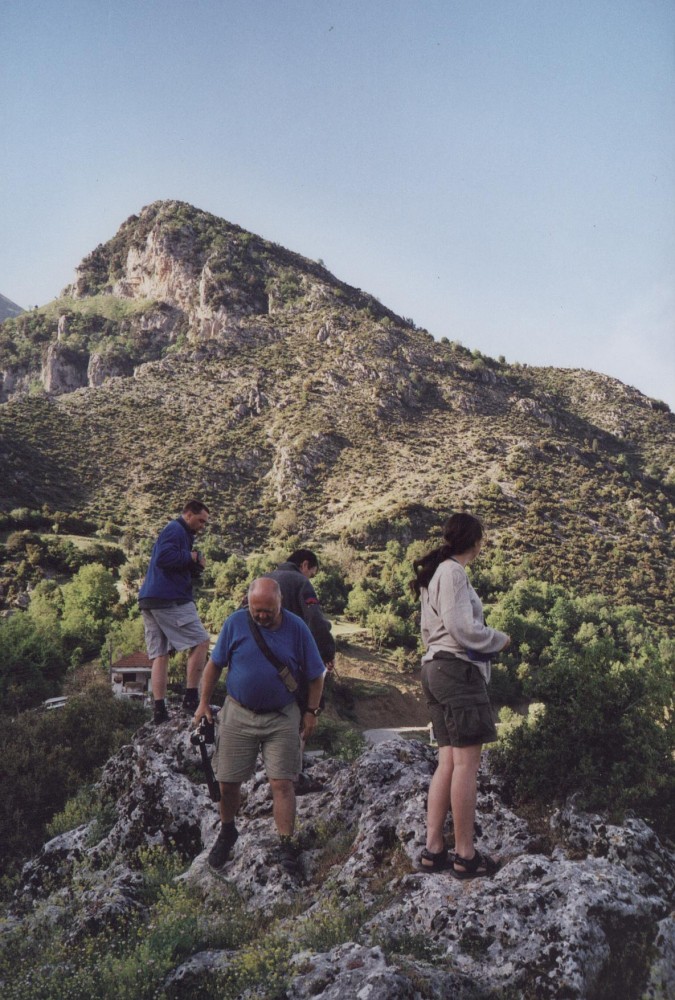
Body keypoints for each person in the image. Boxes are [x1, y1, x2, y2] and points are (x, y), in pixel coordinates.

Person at [194, 577, 325, 875]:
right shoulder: (235, 623)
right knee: (227, 782)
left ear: (280, 603)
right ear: (249, 604)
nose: (262, 616)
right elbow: (214, 665)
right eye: (257, 610)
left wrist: (311, 712)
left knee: (282, 783)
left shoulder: (297, 629)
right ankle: (228, 830)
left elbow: (316, 675)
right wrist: (203, 703)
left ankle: (286, 843)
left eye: (268, 610)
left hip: (282, 716)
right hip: (238, 713)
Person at [410, 512, 510, 879]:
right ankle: (465, 855)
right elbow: (462, 628)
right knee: (467, 765)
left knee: (448, 762)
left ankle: (433, 849)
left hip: (435, 670)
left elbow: (431, 629)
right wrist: (498, 640)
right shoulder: (453, 573)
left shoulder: (436, 573)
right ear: (476, 542)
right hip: (456, 672)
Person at [138, 500, 211, 724]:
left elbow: (171, 563)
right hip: (169, 598)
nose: (202, 526)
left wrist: (194, 566)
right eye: (200, 521)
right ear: (188, 514)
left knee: (160, 654)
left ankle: (159, 711)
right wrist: (191, 557)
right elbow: (164, 558)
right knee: (201, 641)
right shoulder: (175, 529)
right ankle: (191, 699)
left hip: (150, 599)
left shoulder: (181, 533)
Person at [265, 549, 336, 671]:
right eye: (311, 575)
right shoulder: (301, 582)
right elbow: (315, 618)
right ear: (305, 565)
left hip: (259, 655)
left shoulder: (262, 579)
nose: (310, 579)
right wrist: (327, 653)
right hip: (287, 661)